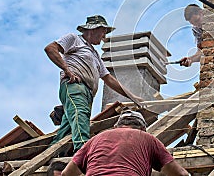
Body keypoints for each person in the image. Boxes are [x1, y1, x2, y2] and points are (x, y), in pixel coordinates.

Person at [45, 15, 143, 152]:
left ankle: (51, 155)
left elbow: (109, 79)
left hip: (87, 94)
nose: (104, 36)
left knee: (67, 130)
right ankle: (84, 153)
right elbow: (50, 48)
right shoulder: (74, 39)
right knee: (80, 116)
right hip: (75, 86)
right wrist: (67, 70)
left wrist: (132, 96)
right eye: (103, 31)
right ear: (92, 29)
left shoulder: (95, 55)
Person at [61, 110, 189, 176]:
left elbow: (66, 174)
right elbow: (180, 174)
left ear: (117, 126)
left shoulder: (95, 140)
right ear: (143, 128)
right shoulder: (147, 138)